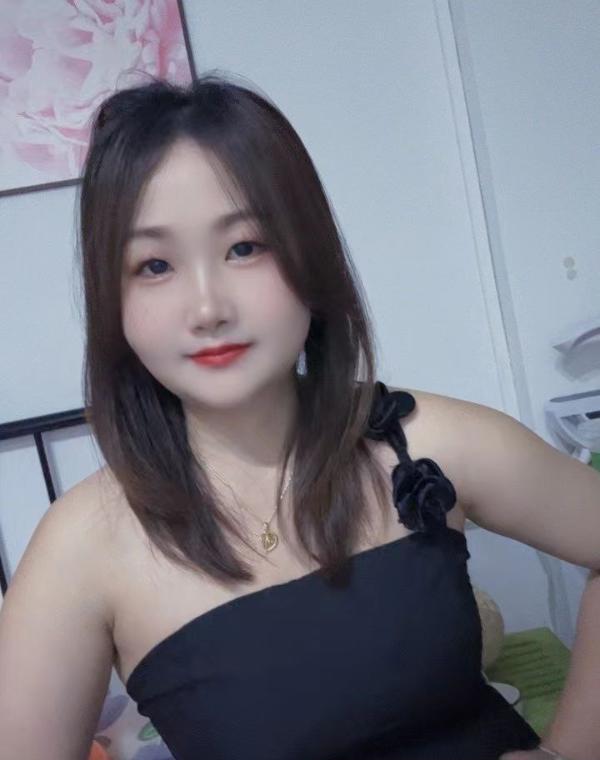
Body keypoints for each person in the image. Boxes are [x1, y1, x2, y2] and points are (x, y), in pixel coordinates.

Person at [0, 72, 598, 760]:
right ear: (115, 300)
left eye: (245, 247)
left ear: (307, 254)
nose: (207, 308)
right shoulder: (81, 548)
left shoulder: (430, 441)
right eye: (155, 265)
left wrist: (569, 752)